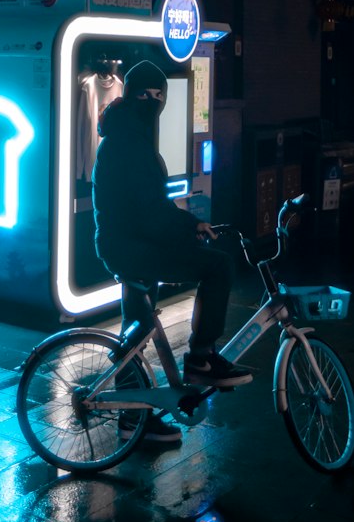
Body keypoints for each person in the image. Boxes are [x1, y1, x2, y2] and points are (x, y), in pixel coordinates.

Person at [91, 58, 253, 448]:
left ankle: (133, 421)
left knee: (138, 330)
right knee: (218, 266)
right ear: (132, 96)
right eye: (147, 94)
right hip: (133, 246)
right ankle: (200, 356)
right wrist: (186, 229)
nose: (154, 101)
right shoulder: (129, 140)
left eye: (159, 95)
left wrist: (182, 224)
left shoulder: (126, 130)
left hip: (125, 244)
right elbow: (148, 213)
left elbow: (148, 206)